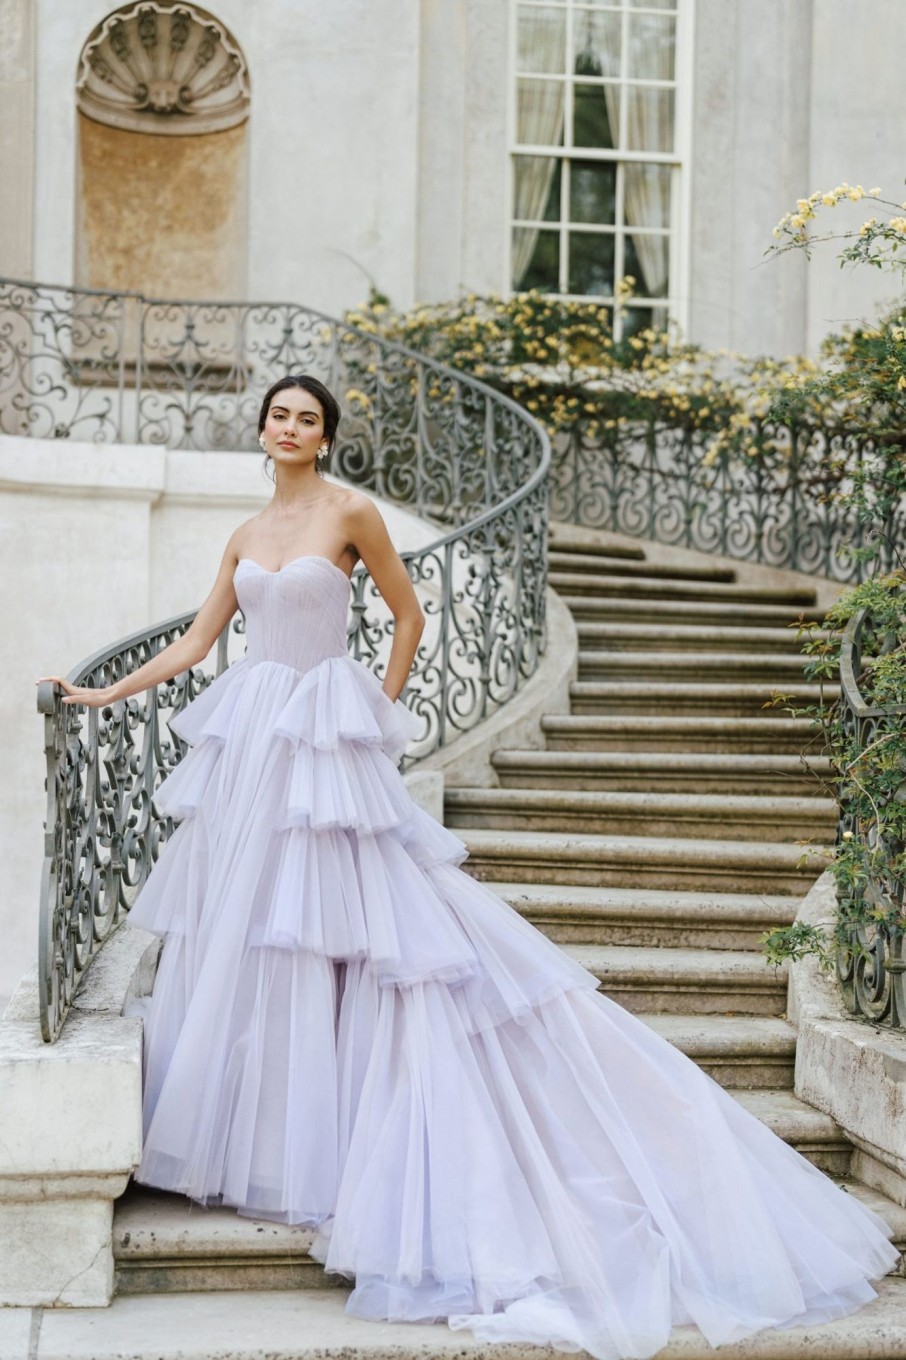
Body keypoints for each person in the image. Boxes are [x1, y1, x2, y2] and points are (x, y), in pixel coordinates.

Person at [37, 375, 898, 1360]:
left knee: (366, 938)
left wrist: (374, 718)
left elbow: (406, 617)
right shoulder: (242, 533)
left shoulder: (352, 512)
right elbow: (197, 644)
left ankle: (364, 1150)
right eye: (280, 415)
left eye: (308, 418)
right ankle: (288, 1146)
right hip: (253, 750)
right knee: (264, 939)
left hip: (328, 739)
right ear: (263, 429)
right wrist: (99, 692)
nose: (291, 428)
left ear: (326, 435)